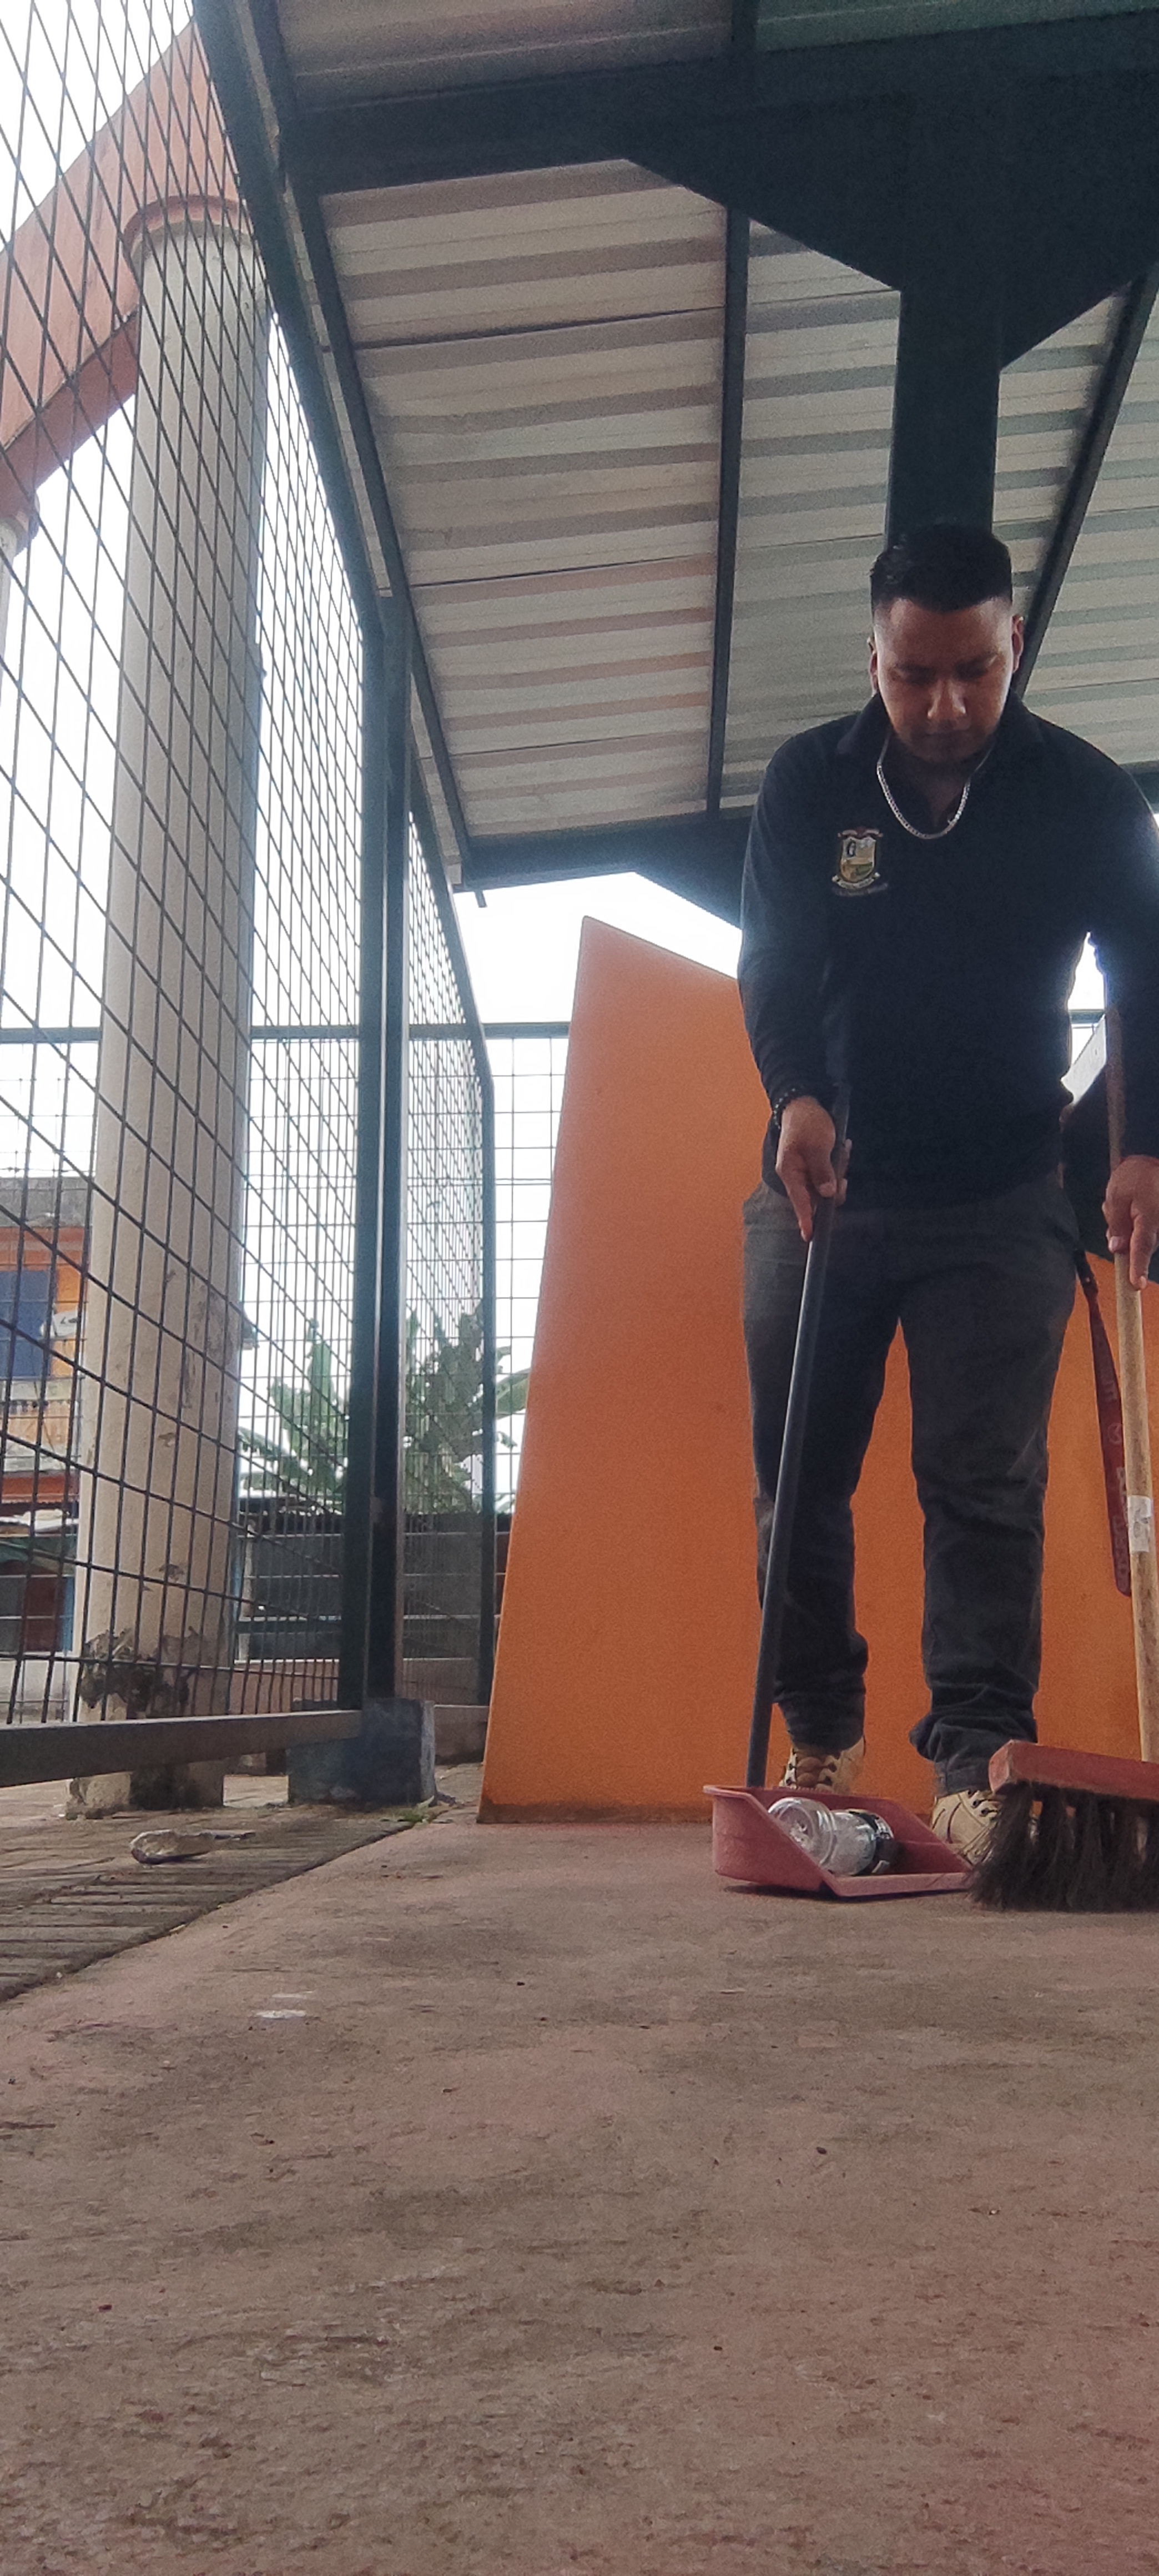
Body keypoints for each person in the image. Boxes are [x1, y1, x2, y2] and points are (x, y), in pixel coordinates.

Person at [738, 523, 1159, 1859]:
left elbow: (1145, 977)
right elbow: (775, 957)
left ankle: (978, 1765)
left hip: (1003, 1195)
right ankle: (819, 1736)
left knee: (983, 1487)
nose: (943, 703)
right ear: (874, 655)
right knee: (798, 1480)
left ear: (1013, 643)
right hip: (831, 1182)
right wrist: (796, 1094)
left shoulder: (1087, 796)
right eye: (914, 673)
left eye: (973, 670)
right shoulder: (812, 781)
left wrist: (1141, 1143)